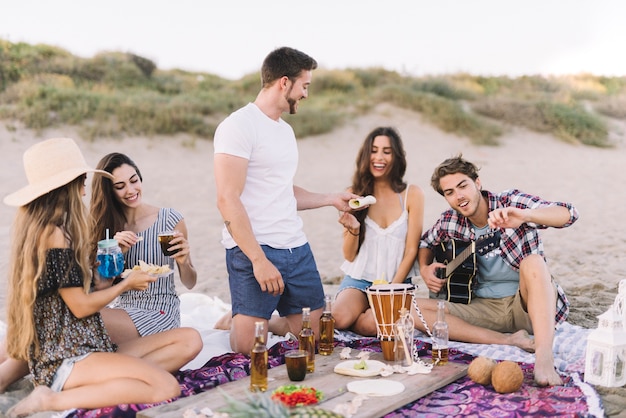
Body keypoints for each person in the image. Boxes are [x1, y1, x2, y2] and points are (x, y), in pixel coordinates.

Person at [1, 138, 202, 416]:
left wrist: (182, 260)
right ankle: (44, 394)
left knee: (186, 345)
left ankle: (95, 383)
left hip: (83, 340)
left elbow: (74, 296)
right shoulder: (60, 233)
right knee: (164, 385)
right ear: (66, 185)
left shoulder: (49, 228)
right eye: (81, 178)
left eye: (134, 180)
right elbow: (81, 304)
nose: (85, 185)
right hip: (70, 349)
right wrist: (125, 281)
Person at [213, 46, 358, 354]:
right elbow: (227, 199)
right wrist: (258, 260)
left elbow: (283, 191)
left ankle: (263, 317)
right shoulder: (238, 126)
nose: (306, 93)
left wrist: (332, 199)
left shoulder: (285, 132)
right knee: (246, 350)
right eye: (304, 85)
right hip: (255, 249)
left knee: (319, 341)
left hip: (296, 248)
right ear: (284, 82)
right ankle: (238, 318)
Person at [415, 154, 578, 386]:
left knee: (533, 262)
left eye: (463, 186)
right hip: (482, 309)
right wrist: (425, 268)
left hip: (526, 307)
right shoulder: (449, 221)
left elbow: (568, 213)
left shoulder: (510, 201)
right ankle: (509, 340)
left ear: (477, 183)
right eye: (449, 192)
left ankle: (544, 357)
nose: (458, 196)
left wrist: (526, 216)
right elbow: (425, 243)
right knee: (409, 308)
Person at [90, 152, 197, 343]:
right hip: (122, 310)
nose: (131, 190)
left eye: (134, 180)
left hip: (160, 310)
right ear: (109, 192)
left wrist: (184, 262)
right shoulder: (108, 229)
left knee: (83, 317)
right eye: (120, 186)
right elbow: (100, 288)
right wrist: (116, 253)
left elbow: (190, 282)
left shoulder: (170, 220)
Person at [332, 126, 424, 336]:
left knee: (378, 325)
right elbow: (348, 255)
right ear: (366, 155)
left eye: (387, 151)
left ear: (396, 157)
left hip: (396, 282)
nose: (379, 157)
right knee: (338, 319)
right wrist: (353, 228)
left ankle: (365, 317)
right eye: (374, 150)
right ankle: (358, 313)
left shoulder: (412, 194)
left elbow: (411, 251)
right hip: (360, 281)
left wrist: (389, 290)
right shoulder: (353, 194)